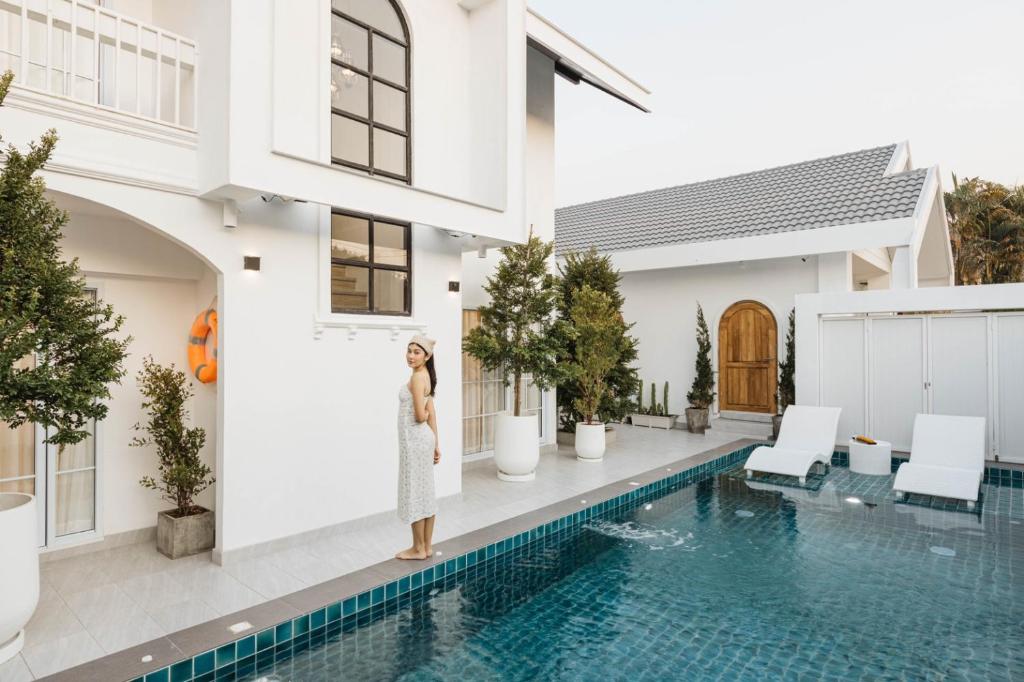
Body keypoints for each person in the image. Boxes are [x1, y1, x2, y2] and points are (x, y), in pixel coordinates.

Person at [395, 334, 440, 560]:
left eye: (416, 352)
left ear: (426, 356)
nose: (411, 356)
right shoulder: (425, 376)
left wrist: (421, 415)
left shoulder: (417, 379)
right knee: (425, 490)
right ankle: (427, 547)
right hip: (424, 441)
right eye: (409, 350)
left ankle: (418, 548)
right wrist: (436, 444)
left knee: (415, 490)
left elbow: (422, 415)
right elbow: (432, 413)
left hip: (415, 441)